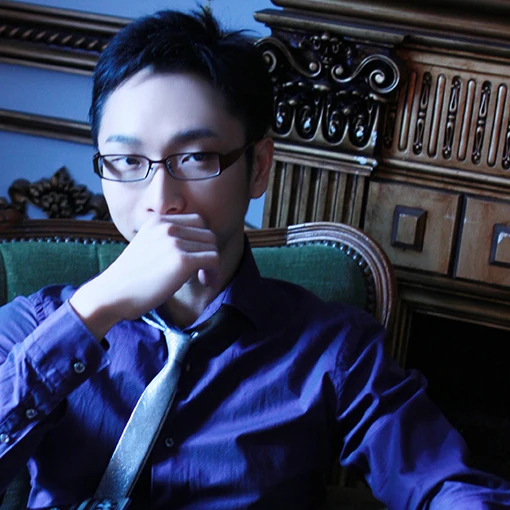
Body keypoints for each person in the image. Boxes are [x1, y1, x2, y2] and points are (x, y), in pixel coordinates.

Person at [0, 7, 510, 510]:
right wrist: (92, 313)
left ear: (259, 166)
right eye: (128, 161)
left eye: (195, 158)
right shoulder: (34, 327)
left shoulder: (333, 350)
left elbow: (443, 484)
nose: (160, 199)